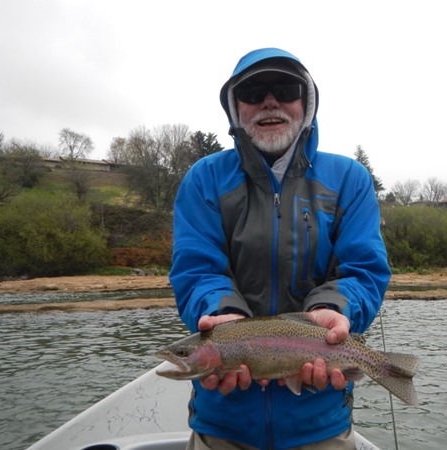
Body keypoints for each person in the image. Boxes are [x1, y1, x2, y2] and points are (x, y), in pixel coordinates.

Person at [169, 47, 391, 450]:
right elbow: (197, 272)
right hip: (222, 422)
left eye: (285, 88)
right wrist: (223, 315)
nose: (269, 101)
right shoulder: (203, 180)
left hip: (320, 421)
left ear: (306, 102)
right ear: (235, 108)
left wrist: (335, 311)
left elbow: (363, 272)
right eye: (253, 91)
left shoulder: (349, 180)